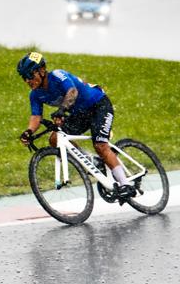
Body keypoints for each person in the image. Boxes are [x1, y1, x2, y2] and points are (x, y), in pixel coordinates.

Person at [16, 52, 135, 201]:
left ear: (42, 70)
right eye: (24, 77)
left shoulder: (57, 75)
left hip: (98, 105)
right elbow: (36, 116)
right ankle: (92, 161)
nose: (28, 80)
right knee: (55, 139)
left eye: (30, 75)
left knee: (100, 145)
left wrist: (62, 110)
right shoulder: (35, 95)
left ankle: (126, 185)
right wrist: (28, 131)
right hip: (80, 114)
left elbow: (72, 92)